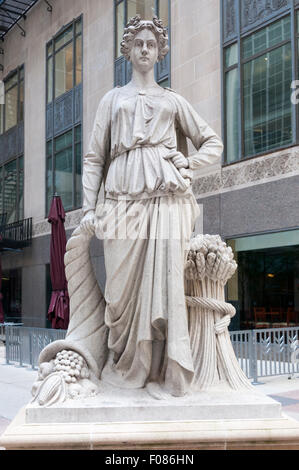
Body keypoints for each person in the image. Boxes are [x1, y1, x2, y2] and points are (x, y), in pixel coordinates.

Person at [80, 15, 223, 398]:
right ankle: (125, 365)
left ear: (160, 52)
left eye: (151, 44)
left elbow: (212, 143)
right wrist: (89, 206)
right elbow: (94, 157)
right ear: (127, 50)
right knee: (120, 292)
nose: (145, 49)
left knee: (164, 287)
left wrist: (188, 163)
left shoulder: (173, 100)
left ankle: (162, 370)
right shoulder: (112, 99)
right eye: (138, 43)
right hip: (120, 201)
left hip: (165, 198)